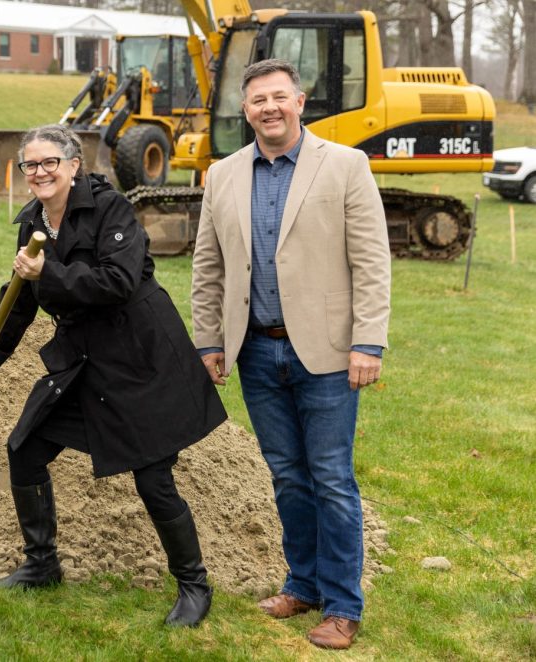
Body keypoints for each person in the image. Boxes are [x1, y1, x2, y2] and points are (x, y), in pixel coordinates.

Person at [0, 124, 227, 627]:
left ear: (73, 166)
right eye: (30, 165)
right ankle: (42, 566)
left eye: (49, 163)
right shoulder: (32, 223)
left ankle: (194, 586)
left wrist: (51, 275)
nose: (39, 173)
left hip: (139, 358)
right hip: (84, 360)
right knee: (26, 447)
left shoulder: (111, 209)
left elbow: (121, 281)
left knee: (152, 476)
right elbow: (17, 300)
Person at [190, 59, 391, 650]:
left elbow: (372, 262)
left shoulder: (346, 165)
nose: (269, 108)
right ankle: (302, 583)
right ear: (245, 110)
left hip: (328, 353)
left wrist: (367, 342)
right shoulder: (223, 175)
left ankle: (343, 606)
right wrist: (209, 341)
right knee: (287, 478)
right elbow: (208, 267)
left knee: (331, 478)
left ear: (300, 102)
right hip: (255, 352)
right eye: (258, 100)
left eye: (279, 97)